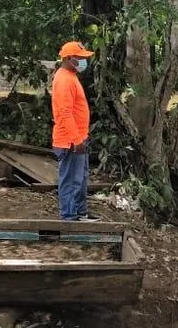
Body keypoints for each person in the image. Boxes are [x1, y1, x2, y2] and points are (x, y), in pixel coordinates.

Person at [51, 41, 99, 222]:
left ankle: (80, 212)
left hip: (78, 138)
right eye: (80, 58)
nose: (83, 61)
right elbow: (65, 113)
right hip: (70, 141)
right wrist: (76, 139)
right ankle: (69, 217)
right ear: (69, 58)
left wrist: (81, 137)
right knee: (71, 180)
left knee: (80, 178)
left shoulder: (70, 76)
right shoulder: (64, 80)